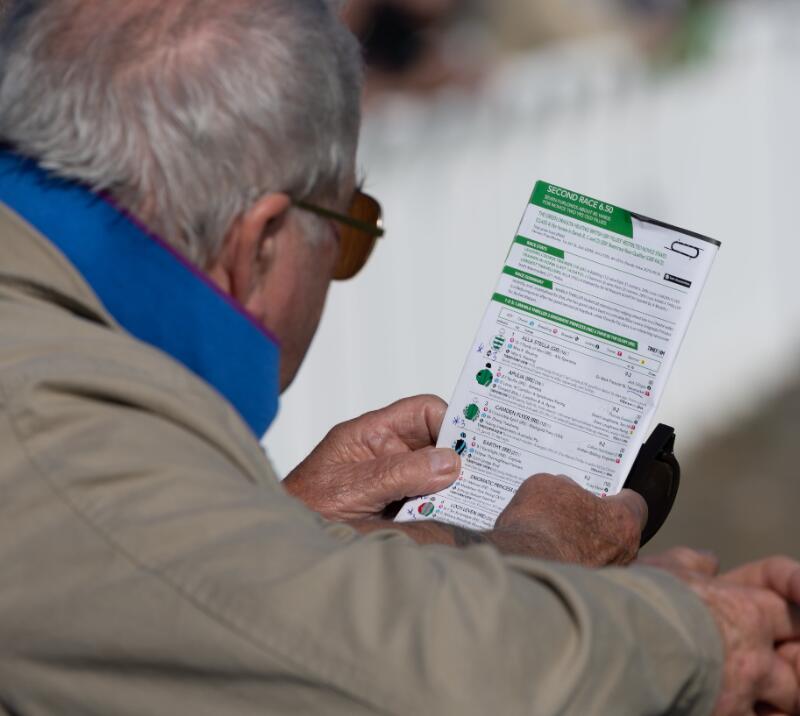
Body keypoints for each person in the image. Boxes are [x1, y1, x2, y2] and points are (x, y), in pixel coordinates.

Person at [0, 1, 797, 714]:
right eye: (349, 232)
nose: (344, 262)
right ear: (261, 245)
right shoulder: (57, 436)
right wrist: (668, 622)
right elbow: (434, 678)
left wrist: (288, 526)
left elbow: (187, 607)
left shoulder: (51, 371)